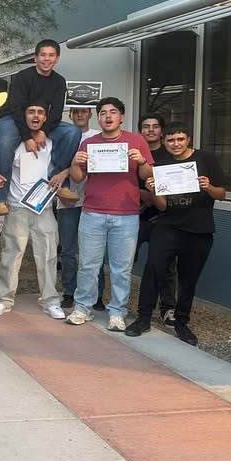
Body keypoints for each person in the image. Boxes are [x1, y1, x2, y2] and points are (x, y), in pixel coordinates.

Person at [127, 127, 227, 344]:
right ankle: (143, 318)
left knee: (188, 279)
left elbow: (221, 194)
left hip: (199, 229)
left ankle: (181, 323)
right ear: (164, 141)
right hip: (167, 227)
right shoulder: (160, 166)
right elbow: (162, 207)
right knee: (153, 271)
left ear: (188, 139)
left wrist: (209, 187)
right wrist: (154, 191)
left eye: (180, 139)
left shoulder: (206, 159)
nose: (176, 144)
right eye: (171, 140)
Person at [66, 97, 153, 331]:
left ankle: (117, 312)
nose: (108, 116)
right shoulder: (89, 144)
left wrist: (142, 160)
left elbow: (147, 175)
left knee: (121, 268)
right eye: (103, 112)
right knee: (88, 265)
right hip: (92, 212)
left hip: (126, 214)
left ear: (121, 117)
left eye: (113, 112)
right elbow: (77, 178)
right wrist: (75, 162)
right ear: (98, 117)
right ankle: (82, 308)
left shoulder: (136, 141)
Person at [0, 104, 69, 321]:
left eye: (40, 113)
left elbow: (66, 165)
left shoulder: (53, 143)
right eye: (31, 112)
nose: (36, 116)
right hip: (16, 207)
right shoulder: (12, 143)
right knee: (10, 256)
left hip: (44, 208)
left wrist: (64, 174)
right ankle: (3, 299)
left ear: (46, 118)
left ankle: (50, 301)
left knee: (48, 256)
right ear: (23, 116)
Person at [0, 40, 81, 216]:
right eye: (43, 55)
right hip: (13, 117)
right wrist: (27, 137)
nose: (47, 59)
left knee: (72, 132)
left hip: (41, 120)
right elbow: (16, 107)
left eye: (51, 55)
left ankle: (59, 183)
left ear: (57, 59)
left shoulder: (59, 81)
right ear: (35, 58)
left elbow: (56, 112)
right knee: (4, 141)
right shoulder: (22, 77)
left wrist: (43, 131)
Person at [55, 106, 105, 309]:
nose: (79, 115)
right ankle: (69, 291)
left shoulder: (98, 137)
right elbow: (51, 167)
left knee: (93, 252)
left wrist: (68, 170)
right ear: (70, 114)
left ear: (90, 114)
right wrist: (59, 192)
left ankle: (97, 294)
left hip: (93, 202)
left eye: (83, 111)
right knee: (67, 250)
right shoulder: (62, 137)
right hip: (66, 203)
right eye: (75, 112)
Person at [135, 113, 177, 323]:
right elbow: (120, 179)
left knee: (166, 265)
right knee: (124, 261)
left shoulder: (169, 155)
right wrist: (139, 193)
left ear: (161, 131)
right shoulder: (133, 151)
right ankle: (119, 305)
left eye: (155, 126)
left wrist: (156, 195)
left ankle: (168, 308)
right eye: (146, 126)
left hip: (163, 218)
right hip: (135, 216)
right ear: (140, 130)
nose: (150, 130)